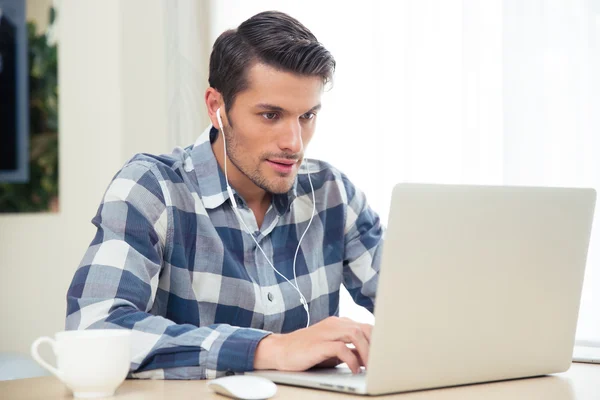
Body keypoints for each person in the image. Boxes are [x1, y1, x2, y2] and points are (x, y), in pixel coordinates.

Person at [66, 10, 383, 380]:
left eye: (307, 116)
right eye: (270, 115)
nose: (293, 143)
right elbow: (94, 328)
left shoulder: (333, 194)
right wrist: (268, 348)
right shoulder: (153, 189)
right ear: (217, 107)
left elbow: (420, 309)